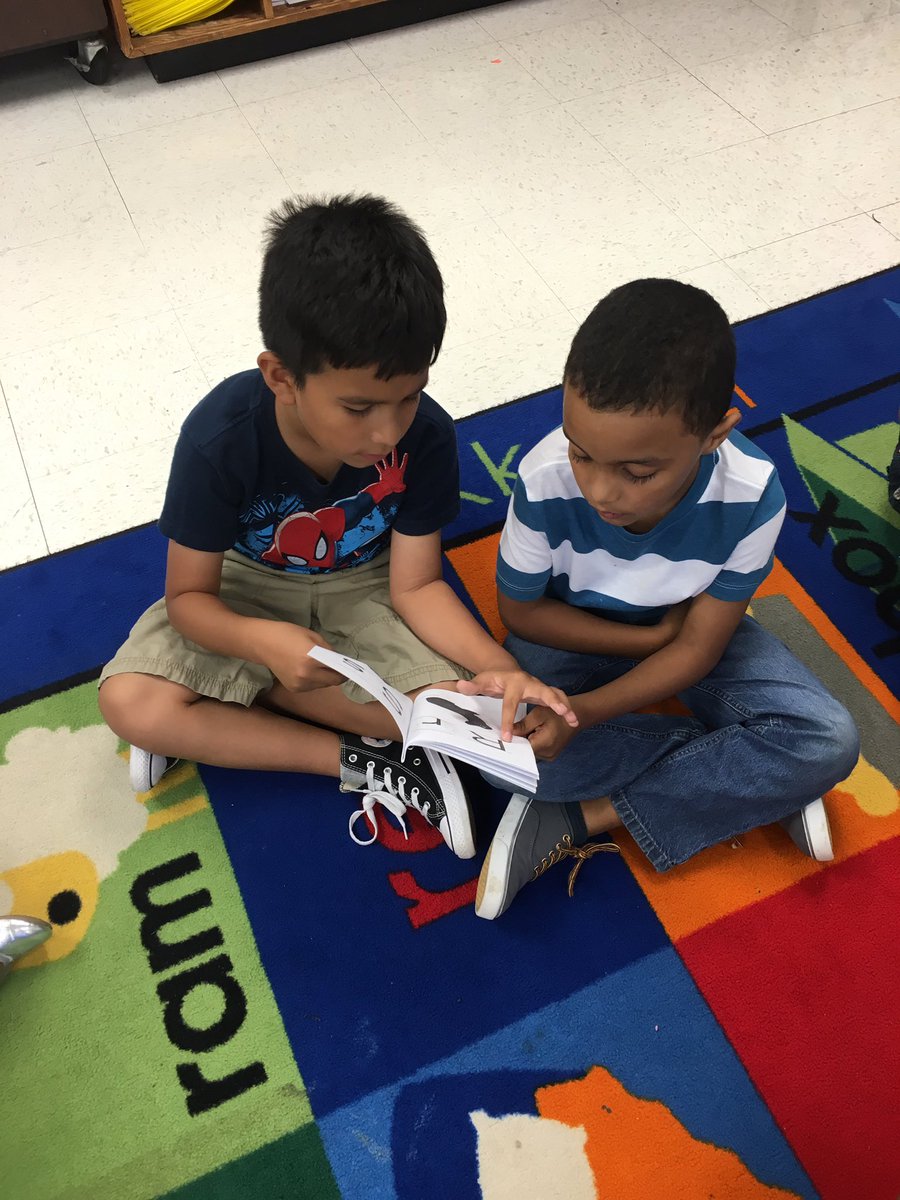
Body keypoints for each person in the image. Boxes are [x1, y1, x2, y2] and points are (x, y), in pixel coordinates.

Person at [99, 194, 574, 861]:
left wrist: (498, 671)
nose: (388, 431)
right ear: (281, 377)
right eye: (358, 407)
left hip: (367, 587)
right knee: (130, 704)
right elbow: (189, 600)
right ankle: (356, 761)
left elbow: (417, 587)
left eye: (409, 396)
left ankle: (232, 707)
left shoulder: (427, 436)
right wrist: (262, 640)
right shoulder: (220, 438)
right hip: (247, 587)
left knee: (469, 720)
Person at [471, 279, 860, 918]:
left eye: (638, 473)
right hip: (571, 633)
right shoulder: (544, 480)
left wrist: (587, 714)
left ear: (714, 435)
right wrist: (647, 642)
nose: (599, 491)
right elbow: (522, 612)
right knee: (502, 755)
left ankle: (587, 815)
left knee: (829, 740)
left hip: (694, 634)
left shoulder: (753, 495)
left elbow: (702, 647)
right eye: (582, 452)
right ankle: (750, 772)